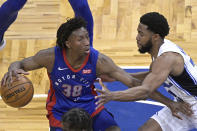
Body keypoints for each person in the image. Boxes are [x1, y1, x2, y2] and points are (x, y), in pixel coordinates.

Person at [95, 12, 197, 131]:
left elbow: (145, 91)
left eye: (141, 34)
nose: (137, 37)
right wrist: (117, 76)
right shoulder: (159, 50)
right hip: (183, 103)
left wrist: (112, 95)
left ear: (155, 37)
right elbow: (151, 75)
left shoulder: (167, 58)